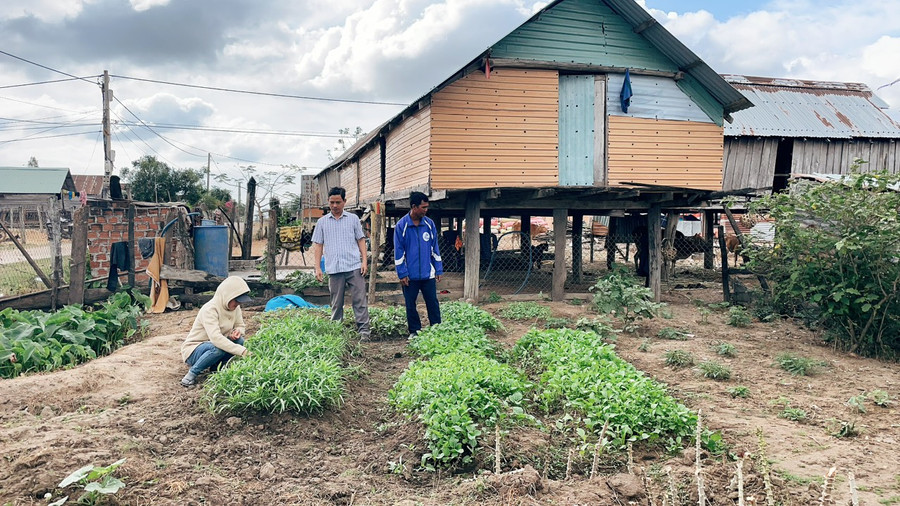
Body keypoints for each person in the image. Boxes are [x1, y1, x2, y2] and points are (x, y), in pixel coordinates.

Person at [312, 187, 371, 340]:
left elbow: (361, 239)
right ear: (328, 203)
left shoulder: (353, 219)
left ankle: (364, 331)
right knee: (336, 303)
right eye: (332, 202)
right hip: (334, 268)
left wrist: (364, 261)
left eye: (338, 202)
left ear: (344, 202)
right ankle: (336, 331)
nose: (335, 205)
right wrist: (317, 267)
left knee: (359, 300)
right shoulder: (322, 222)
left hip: (353, 267)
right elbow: (318, 245)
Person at [180, 276, 253, 387]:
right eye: (236, 301)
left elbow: (240, 325)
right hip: (195, 350)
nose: (238, 304)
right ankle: (190, 375)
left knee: (239, 341)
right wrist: (242, 351)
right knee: (218, 348)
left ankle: (216, 368)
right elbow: (216, 338)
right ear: (227, 296)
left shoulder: (235, 308)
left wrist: (237, 331)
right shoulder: (210, 309)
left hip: (214, 346)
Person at [394, 191, 443, 338]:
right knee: (410, 304)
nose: (426, 210)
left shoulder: (429, 224)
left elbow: (435, 248)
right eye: (423, 207)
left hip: (428, 274)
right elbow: (399, 252)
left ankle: (437, 328)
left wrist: (438, 269)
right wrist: (402, 273)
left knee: (432, 302)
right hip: (410, 276)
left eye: (427, 207)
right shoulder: (401, 226)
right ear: (414, 207)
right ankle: (414, 331)